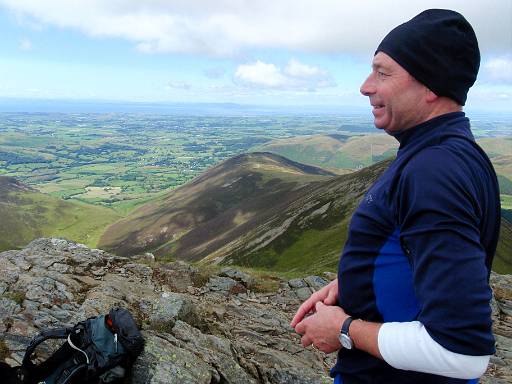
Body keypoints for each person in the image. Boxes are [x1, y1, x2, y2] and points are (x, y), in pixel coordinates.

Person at [291, 9, 500, 384]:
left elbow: (462, 352)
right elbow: (415, 255)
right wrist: (357, 285)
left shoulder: (434, 171)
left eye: (382, 72)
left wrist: (344, 329)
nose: (365, 86)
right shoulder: (443, 152)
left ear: (431, 84)